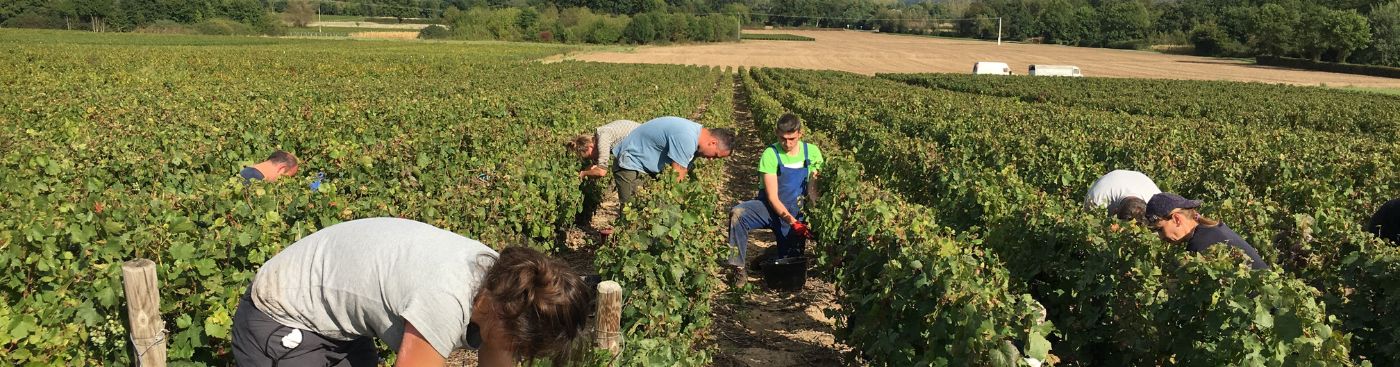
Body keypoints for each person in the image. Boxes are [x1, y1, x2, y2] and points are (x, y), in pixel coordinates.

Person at [232, 217, 592, 367]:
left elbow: (498, 355)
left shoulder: (505, 283)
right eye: (523, 345)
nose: (520, 353)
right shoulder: (445, 300)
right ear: (506, 317)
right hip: (282, 315)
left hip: (337, 319)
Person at [724, 113, 823, 286]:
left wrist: (812, 218)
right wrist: (792, 222)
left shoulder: (812, 152)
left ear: (800, 134)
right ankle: (736, 267)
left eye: (792, 139)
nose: (787, 143)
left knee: (789, 263)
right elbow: (772, 198)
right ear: (777, 133)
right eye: (783, 139)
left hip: (798, 211)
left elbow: (814, 190)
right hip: (770, 208)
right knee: (738, 214)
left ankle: (770, 256)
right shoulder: (770, 154)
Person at [610, 116, 735, 205]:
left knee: (647, 206)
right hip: (630, 163)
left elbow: (682, 171)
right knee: (632, 209)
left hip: (646, 166)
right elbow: (676, 178)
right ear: (713, 143)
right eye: (715, 155)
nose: (711, 159)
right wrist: (678, 204)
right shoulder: (687, 137)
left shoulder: (696, 138)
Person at [1145, 193, 1269, 270]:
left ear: (1177, 219)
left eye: (1160, 229)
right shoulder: (1212, 229)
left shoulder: (1200, 244)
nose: (1161, 236)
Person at [567, 119, 641, 179]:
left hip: (642, 142)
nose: (592, 158)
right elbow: (596, 163)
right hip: (639, 142)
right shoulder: (599, 137)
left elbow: (601, 172)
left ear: (590, 146)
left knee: (620, 170)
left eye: (590, 156)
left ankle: (631, 192)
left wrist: (584, 173)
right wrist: (589, 169)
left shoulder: (603, 139)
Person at [1084, 169, 1161, 223]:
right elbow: (1091, 224)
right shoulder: (1096, 200)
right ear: (1115, 211)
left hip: (1137, 178)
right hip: (1109, 182)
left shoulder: (1157, 201)